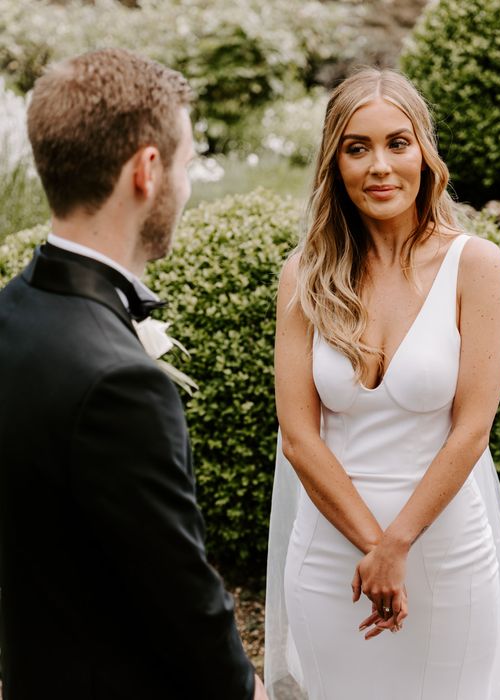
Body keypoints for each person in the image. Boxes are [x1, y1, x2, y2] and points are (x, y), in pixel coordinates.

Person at [265, 68, 500, 699]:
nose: (380, 167)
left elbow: (472, 429)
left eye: (398, 142)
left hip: (445, 555)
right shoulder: (304, 276)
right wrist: (375, 549)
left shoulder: (475, 266)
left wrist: (398, 546)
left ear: (425, 151)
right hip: (331, 561)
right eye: (357, 148)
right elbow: (298, 437)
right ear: (335, 163)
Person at [0, 49, 267, 700]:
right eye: (185, 163)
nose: (189, 183)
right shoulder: (122, 381)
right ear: (147, 170)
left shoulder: (12, 310)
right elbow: (179, 592)